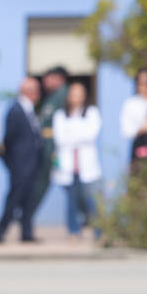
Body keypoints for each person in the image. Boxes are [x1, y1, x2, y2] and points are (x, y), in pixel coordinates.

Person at [0, 75, 43, 244]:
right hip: (20, 165)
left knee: (29, 199)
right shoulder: (15, 110)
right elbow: (9, 139)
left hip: (32, 163)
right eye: (34, 90)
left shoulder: (30, 110)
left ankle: (26, 232)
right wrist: (12, 162)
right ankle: (0, 232)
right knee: (14, 198)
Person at [51, 82, 102, 240]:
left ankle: (99, 232)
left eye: (79, 94)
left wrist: (72, 134)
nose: (76, 97)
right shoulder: (60, 115)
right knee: (71, 201)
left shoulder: (91, 113)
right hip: (68, 165)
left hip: (86, 164)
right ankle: (73, 231)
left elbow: (91, 135)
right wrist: (78, 134)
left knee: (90, 200)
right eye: (73, 93)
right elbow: (60, 139)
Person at [32, 65, 69, 213]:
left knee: (49, 178)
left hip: (53, 145)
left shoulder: (63, 95)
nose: (45, 81)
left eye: (50, 77)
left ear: (60, 79)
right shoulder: (53, 95)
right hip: (48, 143)